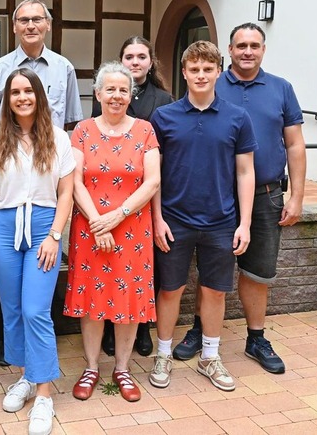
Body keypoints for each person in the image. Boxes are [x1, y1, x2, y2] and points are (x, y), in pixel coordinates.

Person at [172, 23, 306, 375]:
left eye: (255, 45)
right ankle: (200, 331)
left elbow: (294, 144)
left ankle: (256, 337)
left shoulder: (281, 88)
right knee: (209, 268)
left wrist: (297, 196)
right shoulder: (214, 82)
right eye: (241, 45)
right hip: (214, 193)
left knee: (257, 271)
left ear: (263, 49)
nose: (248, 51)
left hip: (263, 194)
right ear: (228, 52)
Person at [149, 41, 257, 392]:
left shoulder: (237, 118)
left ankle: (210, 356)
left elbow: (245, 172)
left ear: (217, 71)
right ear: (184, 72)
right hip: (174, 219)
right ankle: (163, 354)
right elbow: (155, 175)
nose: (200, 75)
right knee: (170, 290)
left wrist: (244, 222)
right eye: (194, 69)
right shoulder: (164, 117)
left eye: (207, 69)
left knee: (214, 291)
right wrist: (156, 218)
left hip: (221, 220)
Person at [0, 68, 74, 435]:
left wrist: (54, 236)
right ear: (6, 99)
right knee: (13, 308)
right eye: (14, 92)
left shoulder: (59, 139)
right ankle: (26, 378)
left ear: (38, 95)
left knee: (36, 310)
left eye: (27, 91)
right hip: (3, 225)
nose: (21, 97)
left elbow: (65, 193)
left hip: (43, 226)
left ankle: (44, 394)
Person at [64, 61, 160, 402]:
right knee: (91, 302)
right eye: (111, 89)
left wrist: (115, 217)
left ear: (130, 94)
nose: (117, 96)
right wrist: (97, 222)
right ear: (98, 92)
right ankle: (91, 366)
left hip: (132, 230)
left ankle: (122, 367)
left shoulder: (145, 130)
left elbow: (152, 181)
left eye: (124, 90)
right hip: (90, 228)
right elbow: (73, 181)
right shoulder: (82, 131)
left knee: (128, 300)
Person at [91, 36, 172, 358]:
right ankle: (111, 329)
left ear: (151, 62)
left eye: (141, 56)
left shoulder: (164, 100)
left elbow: (162, 161)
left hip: (144, 197)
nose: (135, 62)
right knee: (109, 270)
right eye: (129, 56)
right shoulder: (108, 98)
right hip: (105, 201)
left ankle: (142, 330)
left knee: (141, 271)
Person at [0, 0, 84, 130]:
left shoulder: (65, 68)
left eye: (37, 19)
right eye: (24, 20)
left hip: (51, 148)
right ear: (14, 27)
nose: (30, 26)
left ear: (48, 24)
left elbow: (69, 122)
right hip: (10, 149)